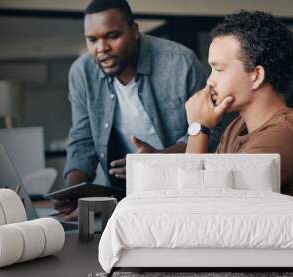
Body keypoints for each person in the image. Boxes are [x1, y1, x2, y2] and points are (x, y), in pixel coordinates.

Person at [59, 0, 211, 220]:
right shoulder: (82, 73)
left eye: (112, 36)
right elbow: (83, 139)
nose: (101, 48)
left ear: (135, 31)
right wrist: (72, 191)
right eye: (92, 40)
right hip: (124, 199)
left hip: (183, 191)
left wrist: (156, 161)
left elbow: (208, 131)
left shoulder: (180, 63)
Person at [184, 10, 293, 197]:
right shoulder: (237, 126)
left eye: (219, 69)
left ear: (256, 76)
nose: (210, 81)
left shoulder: (282, 137)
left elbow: (197, 204)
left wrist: (199, 129)